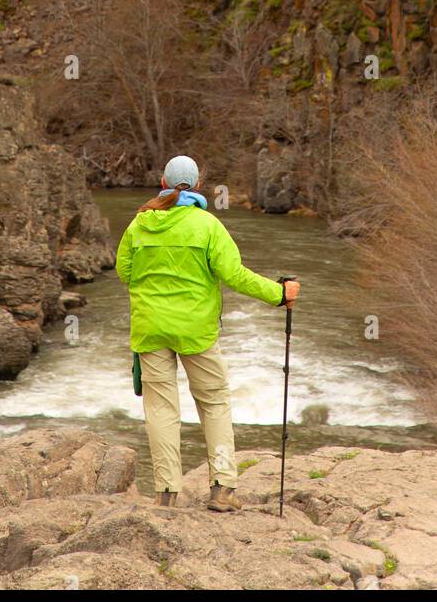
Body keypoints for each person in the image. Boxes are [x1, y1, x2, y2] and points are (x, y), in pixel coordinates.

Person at [115, 154, 300, 512]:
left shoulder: (138, 225)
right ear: (198, 185)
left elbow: (124, 272)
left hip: (150, 329)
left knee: (161, 411)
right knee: (214, 402)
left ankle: (166, 494)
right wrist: (279, 295)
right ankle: (222, 489)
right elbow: (235, 275)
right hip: (197, 331)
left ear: (163, 182)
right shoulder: (207, 226)